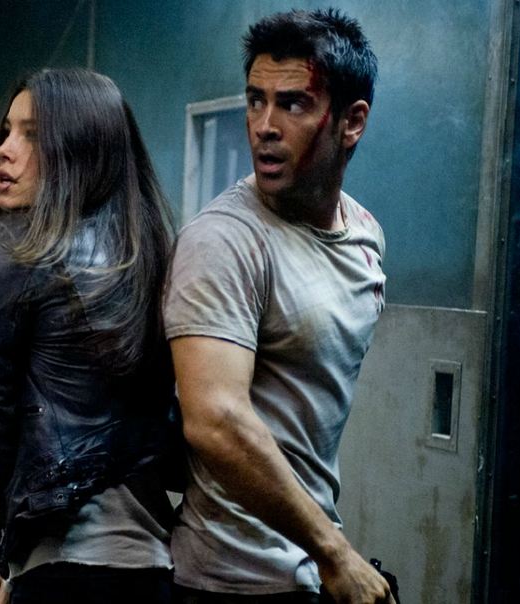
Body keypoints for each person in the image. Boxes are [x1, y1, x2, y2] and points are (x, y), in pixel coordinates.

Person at [163, 9, 394, 604]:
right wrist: (336, 554)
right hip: (225, 582)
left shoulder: (365, 235)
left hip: (306, 568)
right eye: (255, 101)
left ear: (351, 121)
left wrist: (327, 554)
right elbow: (214, 421)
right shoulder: (223, 241)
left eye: (293, 104)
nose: (264, 126)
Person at [0, 68, 179, 604]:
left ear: (79, 152)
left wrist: (5, 548)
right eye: (7, 131)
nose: (4, 149)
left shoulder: (6, 253)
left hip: (61, 561)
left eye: (31, 135)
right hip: (153, 560)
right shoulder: (153, 251)